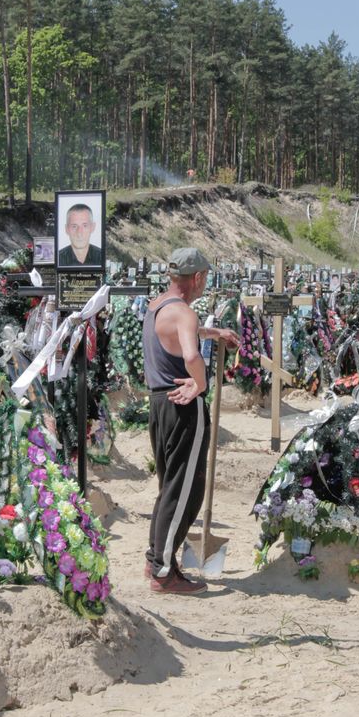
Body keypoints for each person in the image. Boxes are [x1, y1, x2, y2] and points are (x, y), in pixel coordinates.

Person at [142, 247, 239, 594]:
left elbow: (178, 337)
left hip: (158, 403)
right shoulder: (184, 312)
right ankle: (164, 572)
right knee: (187, 490)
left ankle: (156, 559)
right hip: (183, 405)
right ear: (197, 278)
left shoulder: (157, 307)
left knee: (171, 487)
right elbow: (190, 353)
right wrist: (201, 384)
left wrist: (215, 332)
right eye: (205, 279)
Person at [57, 203, 103, 267]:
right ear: (66, 229)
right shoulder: (57, 259)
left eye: (85, 226)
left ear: (92, 227)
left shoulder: (102, 256)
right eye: (74, 226)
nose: (79, 233)